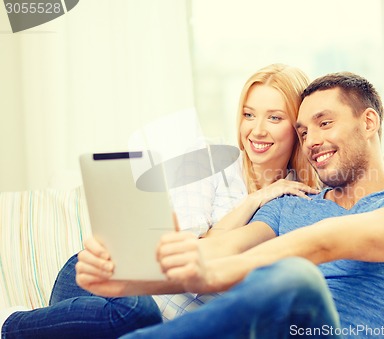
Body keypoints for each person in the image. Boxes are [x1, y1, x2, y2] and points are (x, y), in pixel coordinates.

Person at [74, 71, 384, 338]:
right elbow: (217, 247)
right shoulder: (291, 204)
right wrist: (135, 269)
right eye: (303, 131)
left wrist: (211, 275)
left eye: (325, 123)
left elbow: (326, 242)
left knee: (296, 277)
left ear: (369, 122)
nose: (312, 140)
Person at [0, 64, 319, 339]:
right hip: (104, 279)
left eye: (274, 117)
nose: (256, 130)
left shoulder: (293, 199)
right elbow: (186, 248)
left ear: (297, 128)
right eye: (249, 115)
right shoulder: (207, 160)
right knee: (139, 311)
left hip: (157, 321)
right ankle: (8, 325)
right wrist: (255, 199)